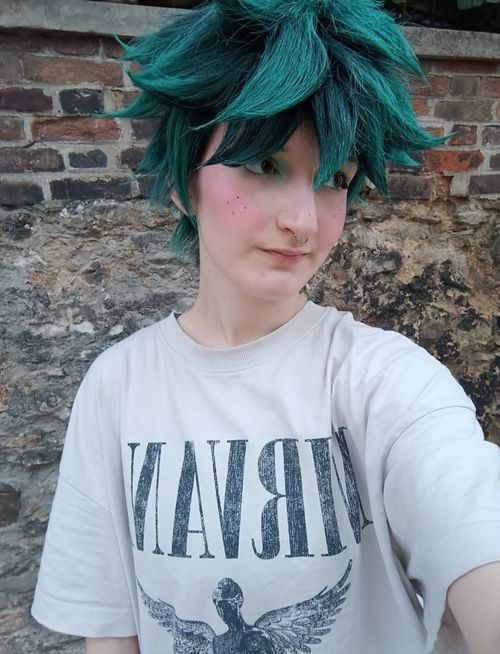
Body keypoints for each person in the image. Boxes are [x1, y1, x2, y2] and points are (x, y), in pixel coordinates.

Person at [32, 1, 500, 653]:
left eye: (334, 179)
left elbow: (470, 516)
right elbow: (113, 632)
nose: (304, 221)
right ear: (183, 184)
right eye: (264, 165)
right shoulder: (117, 388)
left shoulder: (388, 382)